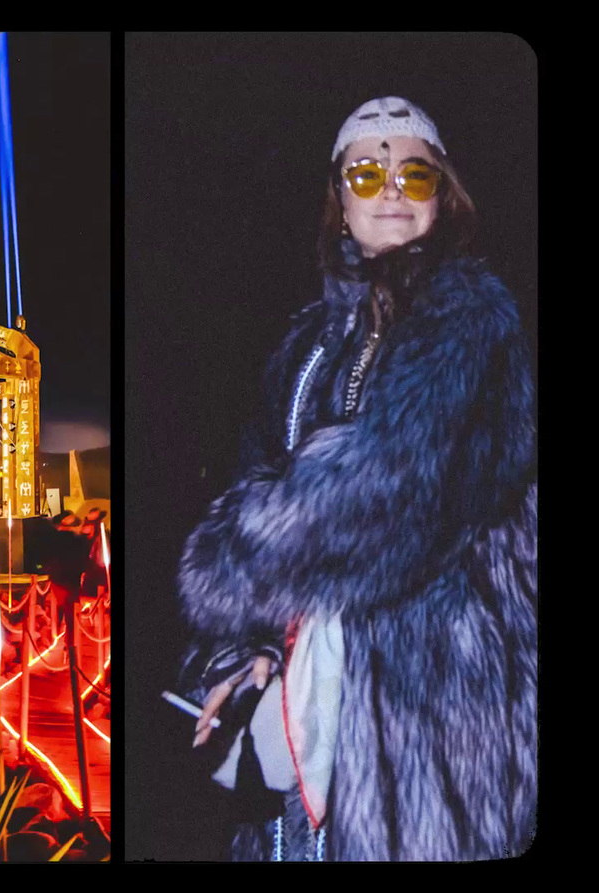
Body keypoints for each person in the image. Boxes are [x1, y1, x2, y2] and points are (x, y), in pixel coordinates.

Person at [176, 98, 535, 861]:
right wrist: (247, 650)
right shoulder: (308, 340)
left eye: (415, 172)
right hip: (314, 700)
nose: (393, 190)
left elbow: (393, 500)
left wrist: (236, 554)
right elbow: (258, 466)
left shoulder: (474, 320)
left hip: (434, 717)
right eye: (368, 173)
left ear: (445, 194)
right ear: (339, 201)